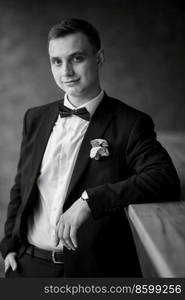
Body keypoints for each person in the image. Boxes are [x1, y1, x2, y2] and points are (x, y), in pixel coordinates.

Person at [0, 18, 180, 278]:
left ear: (99, 58)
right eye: (57, 61)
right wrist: (8, 246)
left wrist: (89, 201)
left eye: (77, 58)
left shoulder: (131, 123)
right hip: (27, 266)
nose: (66, 72)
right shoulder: (35, 118)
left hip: (92, 271)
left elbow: (164, 179)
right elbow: (21, 186)